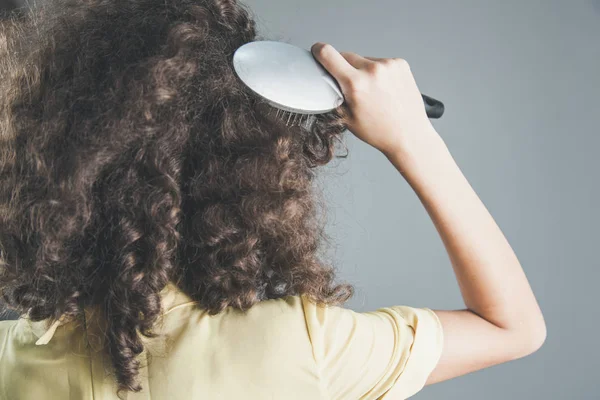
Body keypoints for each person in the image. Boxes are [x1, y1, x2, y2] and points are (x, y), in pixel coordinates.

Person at [0, 0, 546, 399]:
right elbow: (514, 327)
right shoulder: (304, 349)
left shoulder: (13, 360)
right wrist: (414, 139)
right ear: (251, 166)